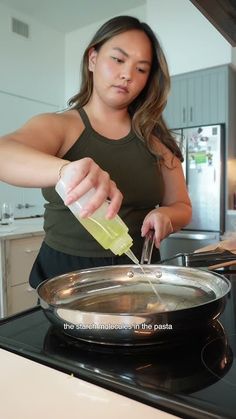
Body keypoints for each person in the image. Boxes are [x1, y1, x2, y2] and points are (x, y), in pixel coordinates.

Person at [0, 15, 192, 288]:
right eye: (118, 59)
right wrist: (65, 170)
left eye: (141, 69)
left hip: (138, 270)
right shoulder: (59, 125)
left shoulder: (158, 140)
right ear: (92, 59)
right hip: (64, 274)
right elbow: (4, 153)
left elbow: (182, 206)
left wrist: (167, 215)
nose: (127, 74)